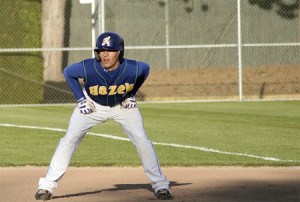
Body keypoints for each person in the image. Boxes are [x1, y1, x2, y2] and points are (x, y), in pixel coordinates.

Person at [35, 32, 173, 200]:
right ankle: (46, 187)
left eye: (110, 50)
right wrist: (80, 99)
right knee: (69, 139)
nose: (105, 54)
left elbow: (145, 69)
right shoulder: (88, 67)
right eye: (101, 50)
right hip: (91, 106)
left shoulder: (132, 68)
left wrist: (132, 94)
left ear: (120, 52)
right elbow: (69, 72)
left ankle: (161, 186)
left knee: (141, 139)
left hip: (122, 106)